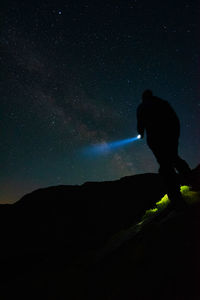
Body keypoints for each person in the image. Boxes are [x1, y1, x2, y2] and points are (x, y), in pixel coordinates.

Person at [137, 90, 191, 211]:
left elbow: (140, 123)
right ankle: (192, 180)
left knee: (165, 165)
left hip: (156, 139)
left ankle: (176, 198)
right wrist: (175, 135)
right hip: (170, 136)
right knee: (174, 159)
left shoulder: (142, 106)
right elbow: (174, 118)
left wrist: (141, 134)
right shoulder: (162, 102)